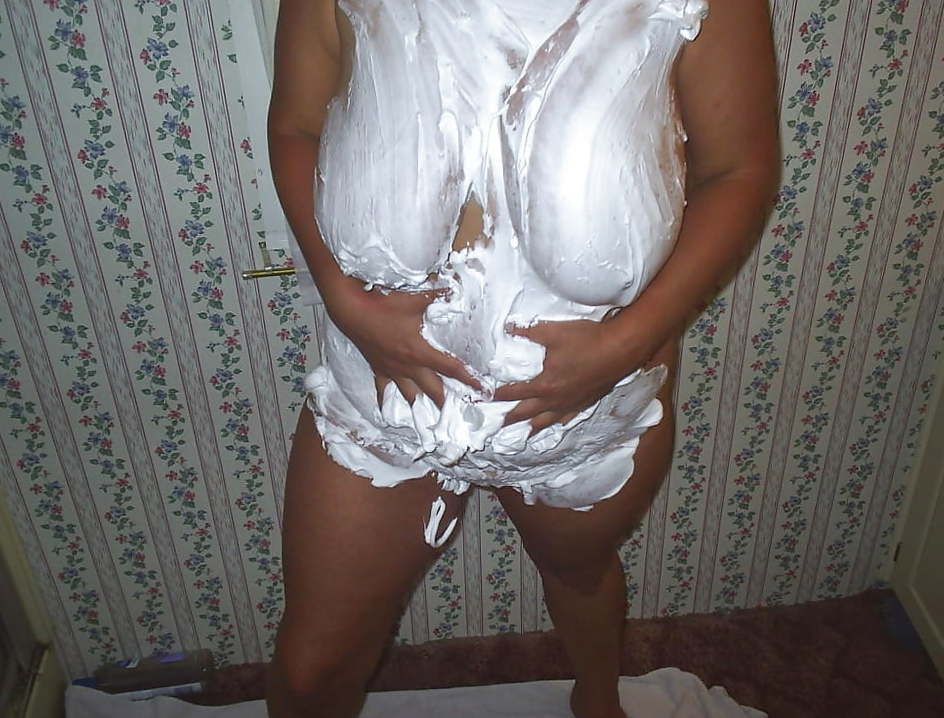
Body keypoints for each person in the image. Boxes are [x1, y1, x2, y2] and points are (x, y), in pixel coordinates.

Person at [264, 1, 780, 717]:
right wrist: (341, 296)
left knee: (577, 575)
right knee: (308, 671)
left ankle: (597, 698)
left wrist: (623, 346)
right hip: (382, 395)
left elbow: (739, 170)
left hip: (587, 409)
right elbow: (296, 126)